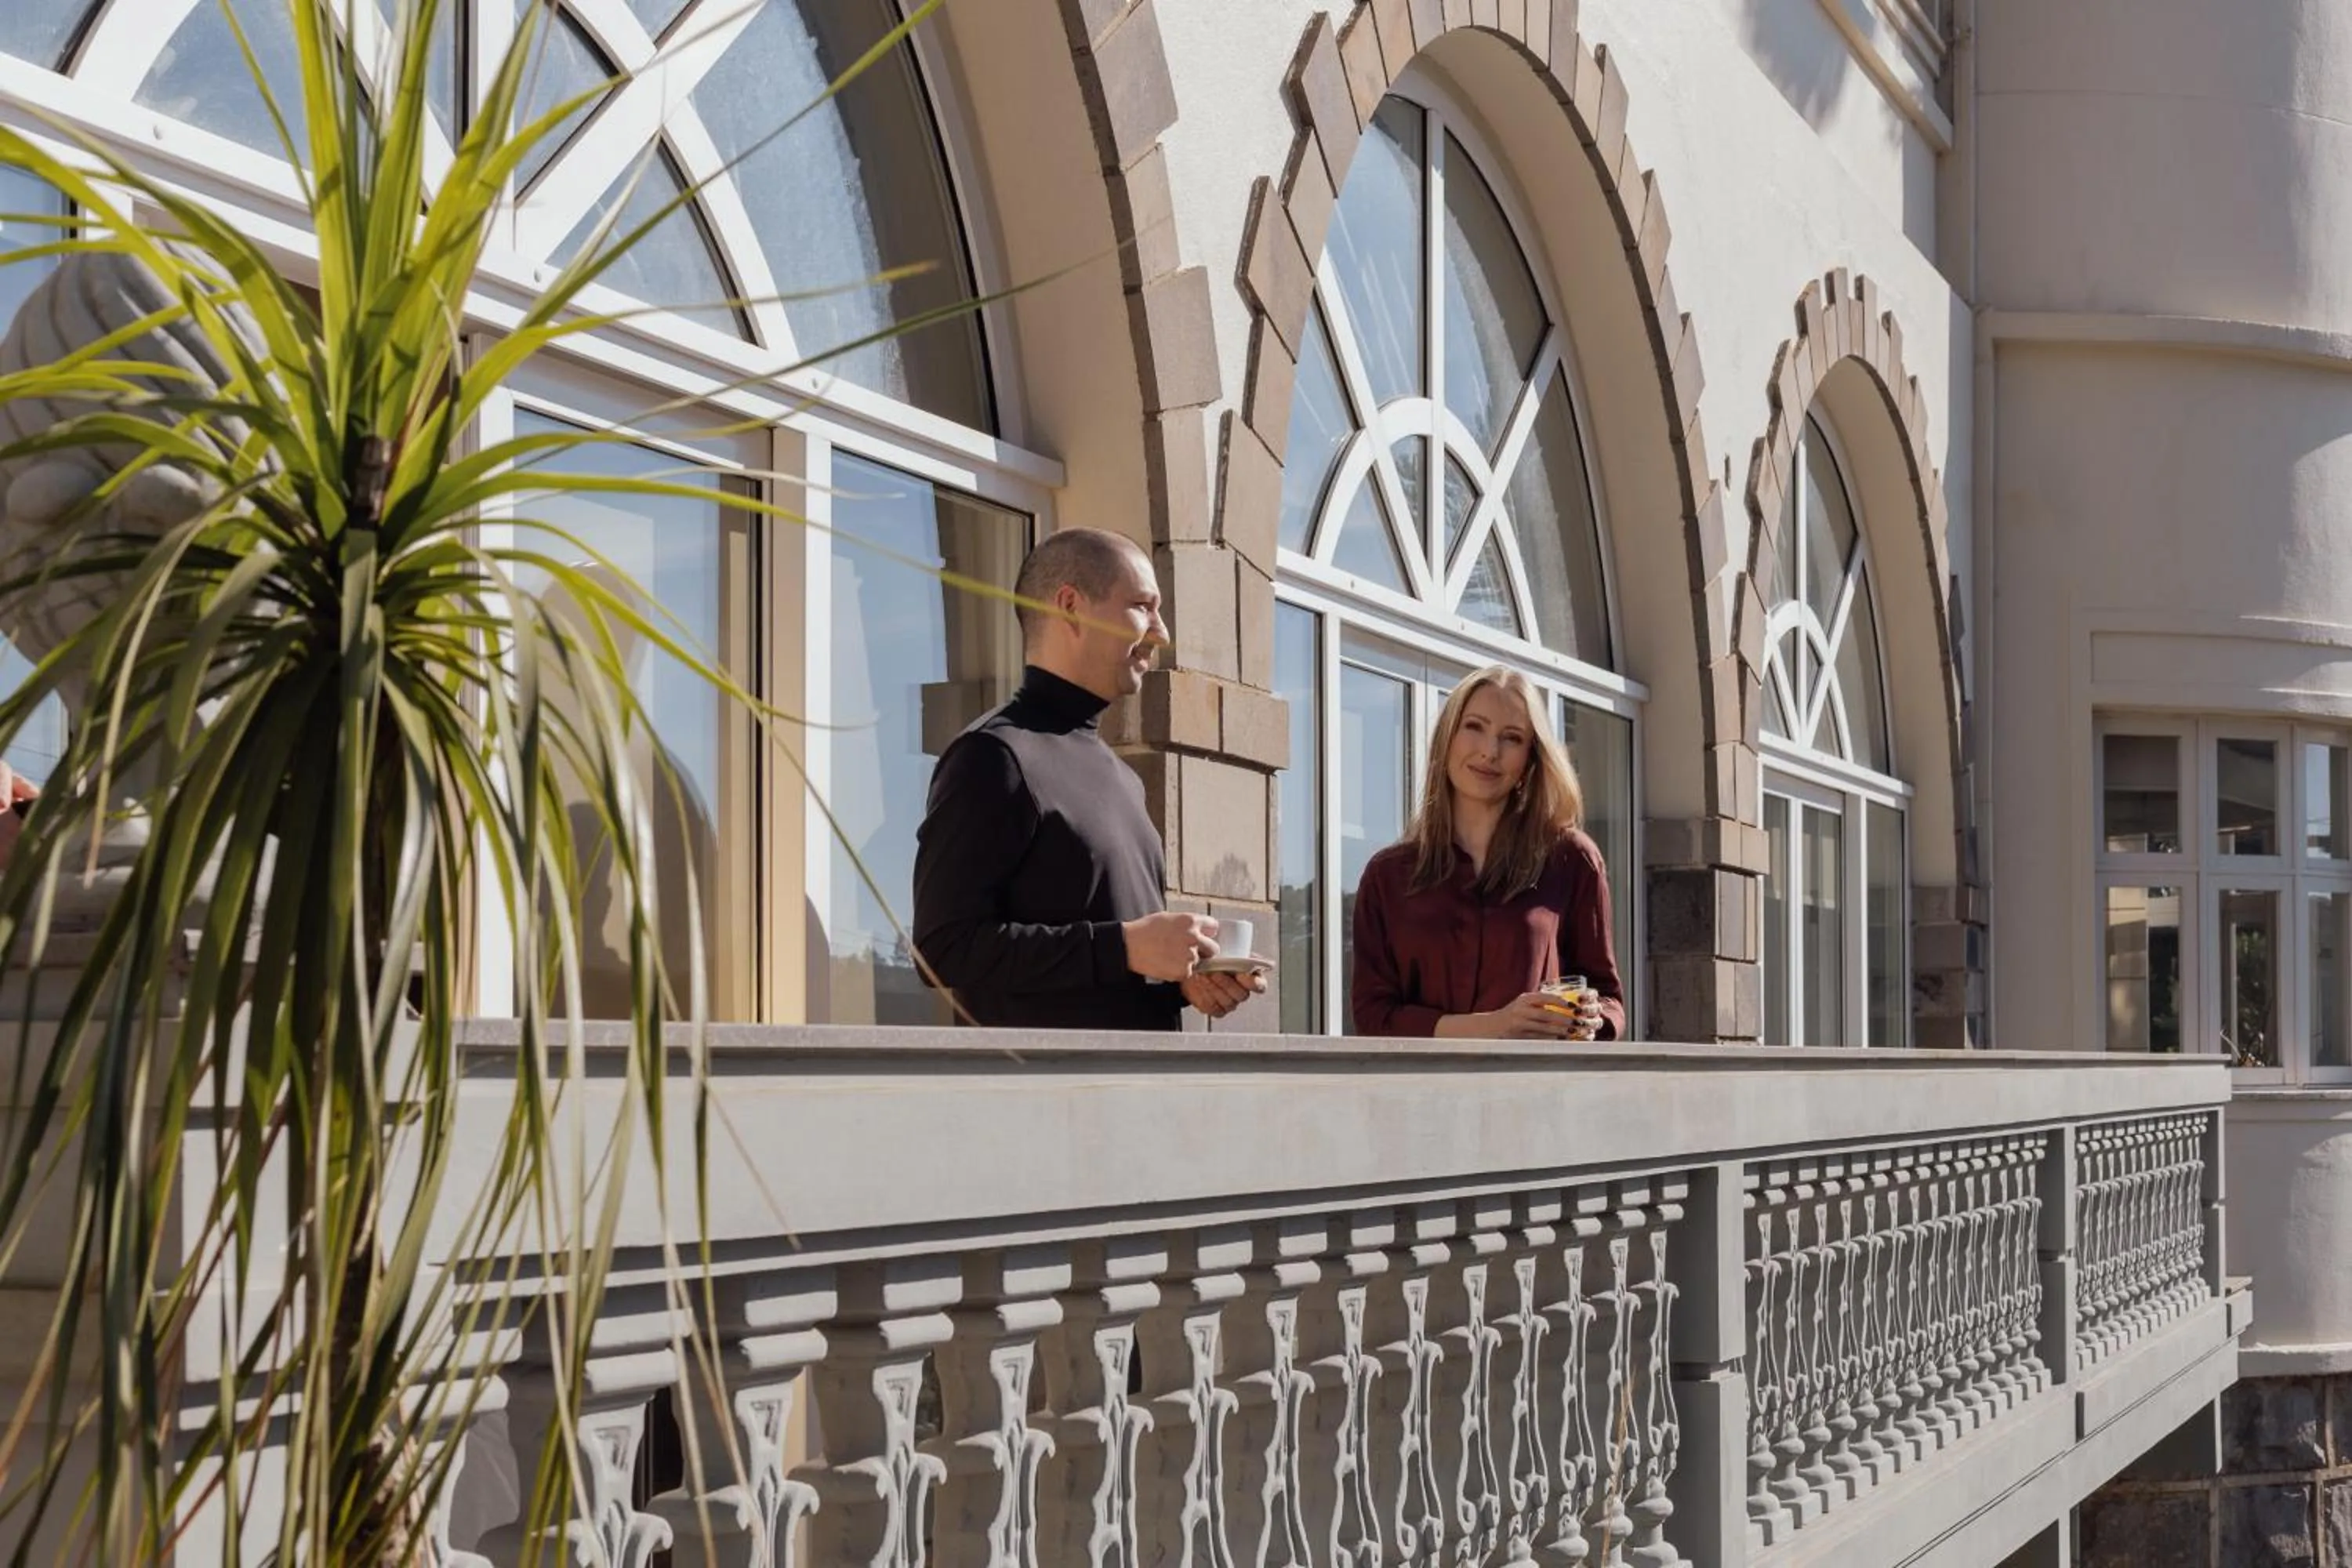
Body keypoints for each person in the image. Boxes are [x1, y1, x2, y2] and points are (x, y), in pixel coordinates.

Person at [912, 527, 1265, 1029]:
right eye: (1143, 606)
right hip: (1049, 1102)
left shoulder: (1122, 777)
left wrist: (1182, 980)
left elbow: (1107, 967)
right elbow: (942, 948)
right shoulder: (994, 756)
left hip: (1137, 1098)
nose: (1161, 633)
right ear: (1071, 607)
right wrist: (1123, 946)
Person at [1350, 666, 1624, 1040]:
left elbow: (1608, 999)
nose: (1489, 752)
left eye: (1512, 738)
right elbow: (1373, 1016)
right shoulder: (1388, 876)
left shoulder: (1572, 859)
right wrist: (1498, 1025)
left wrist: (1592, 1018)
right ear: (1447, 737)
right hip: (1416, 1095)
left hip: (1532, 1092)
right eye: (1474, 727)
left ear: (1530, 760)